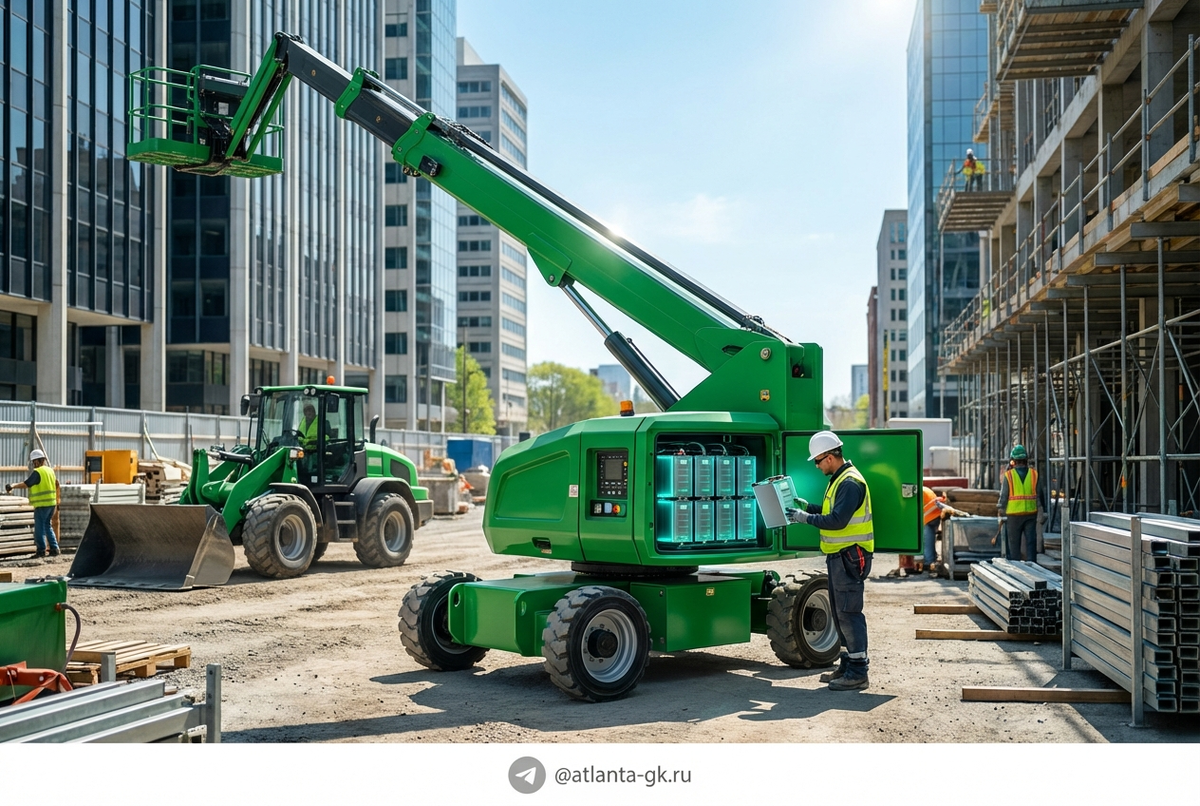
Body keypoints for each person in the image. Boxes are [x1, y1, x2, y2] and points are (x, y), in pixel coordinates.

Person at [785, 430, 873, 691]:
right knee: (839, 612)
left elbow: (837, 521)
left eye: (818, 460)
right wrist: (809, 507)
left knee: (849, 613)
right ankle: (848, 664)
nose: (816, 465)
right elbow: (831, 512)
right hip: (841, 556)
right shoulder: (839, 479)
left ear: (830, 457)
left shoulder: (849, 482)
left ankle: (858, 671)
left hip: (850, 556)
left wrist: (804, 518)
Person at [5, 449, 60, 558]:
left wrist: (13, 485)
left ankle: (41, 550)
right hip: (51, 504)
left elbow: (27, 483)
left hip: (42, 505)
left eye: (33, 462)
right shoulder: (50, 471)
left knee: (40, 527)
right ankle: (54, 548)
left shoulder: (38, 472)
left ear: (36, 461)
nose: (33, 464)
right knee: (47, 525)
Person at [997, 445, 1048, 562]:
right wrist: (1044, 510)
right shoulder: (1034, 474)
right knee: (1031, 542)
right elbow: (1040, 493)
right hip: (1031, 513)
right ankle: (1032, 566)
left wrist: (1000, 508)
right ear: (1026, 460)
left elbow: (1004, 494)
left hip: (1014, 515)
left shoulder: (1009, 475)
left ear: (1013, 461)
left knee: (1014, 543)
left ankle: (1016, 567)